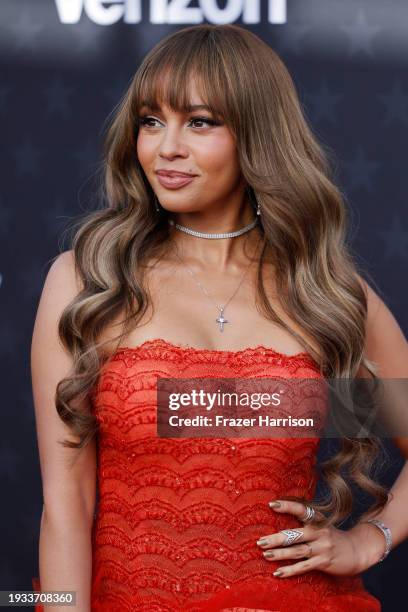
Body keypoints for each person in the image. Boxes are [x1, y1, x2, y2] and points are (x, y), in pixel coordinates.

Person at [31, 24, 408, 611]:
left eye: (199, 122)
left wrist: (368, 539)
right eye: (151, 121)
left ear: (258, 135)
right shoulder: (92, 282)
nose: (166, 147)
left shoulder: (322, 295)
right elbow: (65, 504)